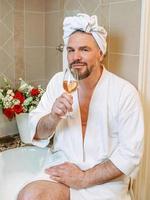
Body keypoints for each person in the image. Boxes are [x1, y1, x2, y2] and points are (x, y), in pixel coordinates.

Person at [17, 13, 144, 200]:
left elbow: (130, 154)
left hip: (104, 182)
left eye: (84, 50)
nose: (76, 57)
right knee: (30, 196)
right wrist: (52, 117)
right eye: (71, 50)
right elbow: (37, 132)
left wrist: (83, 178)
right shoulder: (58, 82)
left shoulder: (124, 92)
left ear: (100, 53)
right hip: (63, 172)